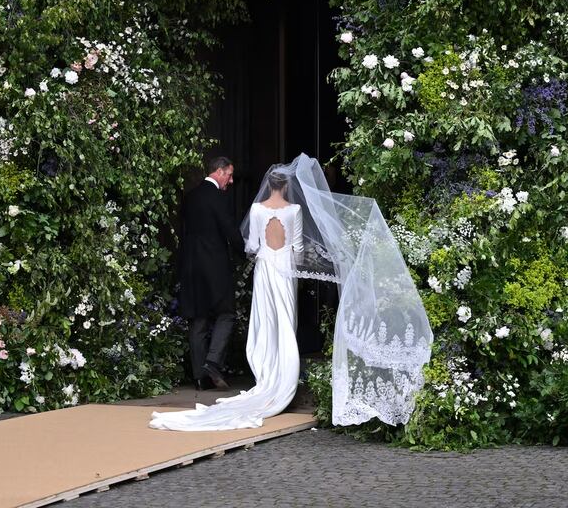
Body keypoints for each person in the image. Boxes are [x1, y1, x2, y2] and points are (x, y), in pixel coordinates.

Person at [151, 154, 432, 432]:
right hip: (282, 269)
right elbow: (296, 249)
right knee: (283, 320)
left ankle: (229, 373)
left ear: (269, 184)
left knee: (255, 321)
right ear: (286, 185)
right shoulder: (294, 211)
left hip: (256, 269)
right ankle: (276, 371)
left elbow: (251, 245)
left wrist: (252, 253)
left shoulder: (246, 207)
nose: (232, 180)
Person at [176, 156, 243, 392]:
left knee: (199, 318)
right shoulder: (218, 197)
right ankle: (213, 363)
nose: (231, 181)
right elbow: (230, 230)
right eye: (230, 175)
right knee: (227, 313)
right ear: (220, 171)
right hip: (215, 266)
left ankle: (199, 378)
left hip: (191, 267)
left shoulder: (190, 196)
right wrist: (245, 252)